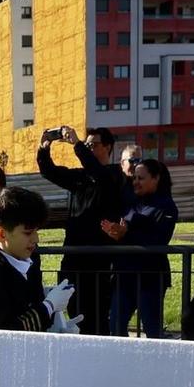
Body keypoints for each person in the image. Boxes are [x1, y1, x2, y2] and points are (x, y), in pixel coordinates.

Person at [38, 126, 129, 337]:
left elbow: (99, 174)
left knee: (95, 317)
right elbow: (49, 171)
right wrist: (44, 147)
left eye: (93, 145)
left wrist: (78, 145)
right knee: (73, 309)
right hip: (73, 256)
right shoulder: (81, 177)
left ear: (108, 147)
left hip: (99, 259)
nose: (88, 148)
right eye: (87, 145)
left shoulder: (115, 175)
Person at [0, 187, 74, 332]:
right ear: (1, 235)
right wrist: (49, 306)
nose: (36, 239)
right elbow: (3, 331)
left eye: (36, 231)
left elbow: (37, 305)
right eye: (28, 232)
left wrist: (59, 326)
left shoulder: (31, 259)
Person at [104, 158, 178, 337]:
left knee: (152, 329)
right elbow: (124, 233)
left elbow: (158, 240)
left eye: (141, 178)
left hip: (149, 277)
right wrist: (115, 233)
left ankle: (153, 364)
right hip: (124, 275)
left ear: (156, 178)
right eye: (134, 178)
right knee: (115, 325)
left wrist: (125, 234)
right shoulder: (131, 203)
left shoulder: (166, 206)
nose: (136, 182)